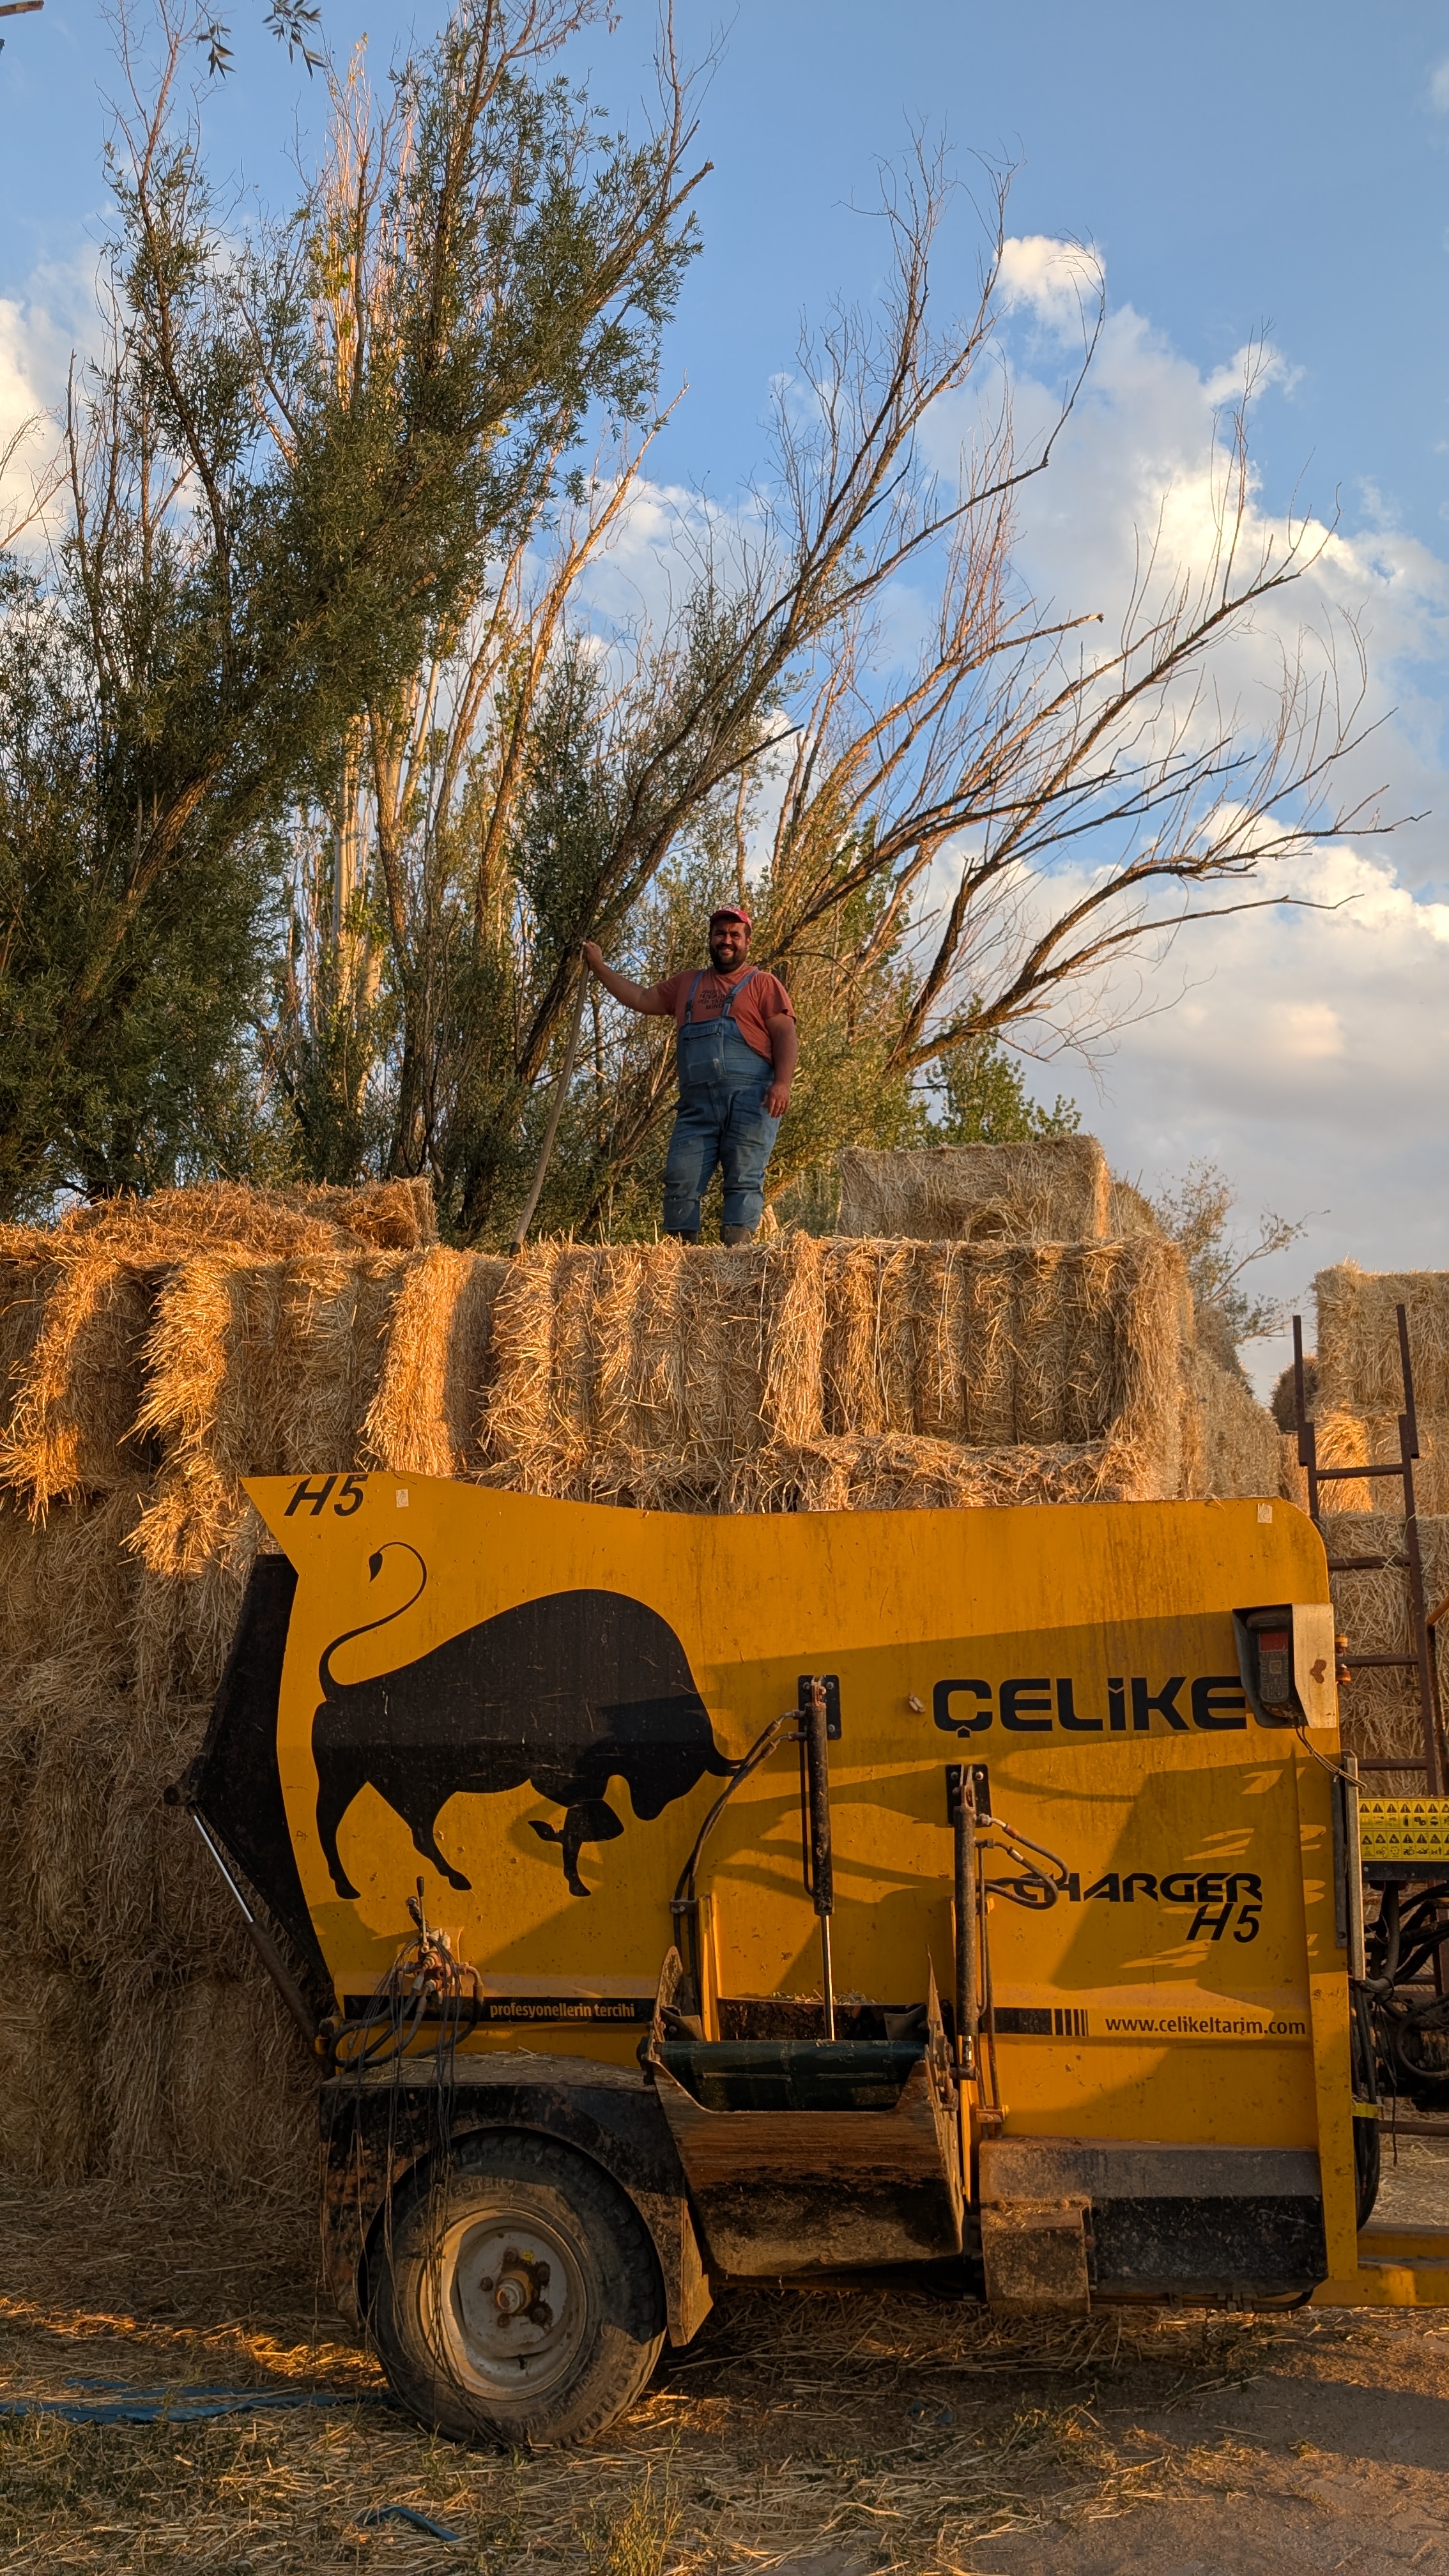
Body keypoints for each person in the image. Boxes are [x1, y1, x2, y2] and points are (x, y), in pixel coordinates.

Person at [581, 907, 797, 1245]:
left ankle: (736, 1260)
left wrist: (782, 1083)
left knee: (743, 1179)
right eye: (720, 934)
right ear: (710, 940)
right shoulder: (687, 984)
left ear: (747, 942)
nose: (726, 940)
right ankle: (681, 1263)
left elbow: (785, 1033)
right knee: (680, 1178)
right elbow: (639, 998)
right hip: (697, 1108)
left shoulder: (763, 984)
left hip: (751, 1099)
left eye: (734, 935)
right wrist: (598, 967)